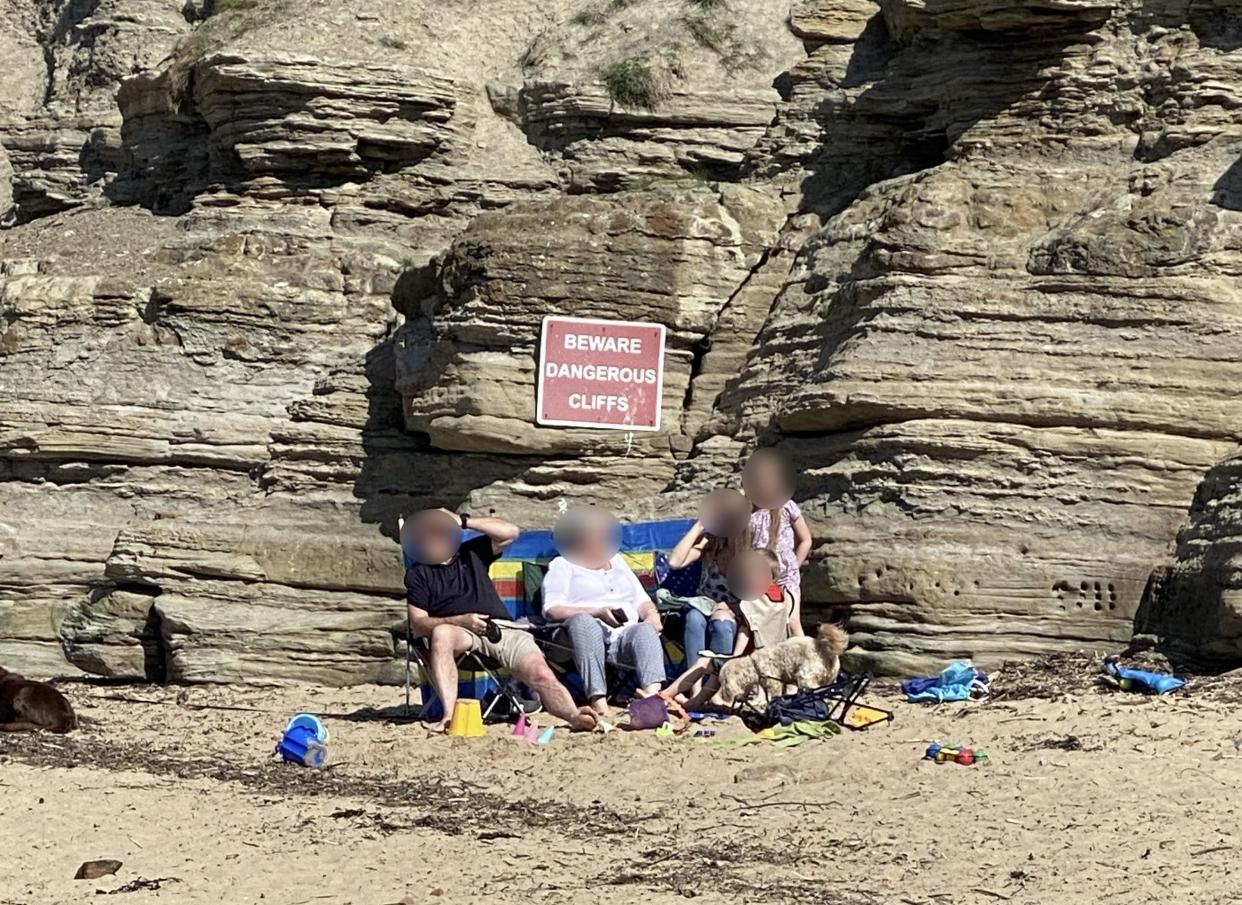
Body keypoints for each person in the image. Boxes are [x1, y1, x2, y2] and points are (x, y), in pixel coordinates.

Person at [403, 508, 596, 733]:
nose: (431, 541)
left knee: (541, 673)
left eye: (436, 534)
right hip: (459, 633)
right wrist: (460, 621)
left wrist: (463, 521)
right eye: (425, 537)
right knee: (442, 634)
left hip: (500, 628)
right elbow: (418, 623)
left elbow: (510, 532)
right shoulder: (418, 574)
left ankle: (574, 716)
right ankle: (449, 716)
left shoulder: (471, 552)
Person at [541, 507, 666, 716]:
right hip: (576, 639)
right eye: (594, 535)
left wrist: (652, 615)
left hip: (621, 637)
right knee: (584, 622)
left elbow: (641, 599)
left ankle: (651, 699)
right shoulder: (563, 565)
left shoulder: (617, 561)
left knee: (645, 631)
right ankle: (599, 702)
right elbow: (551, 609)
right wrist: (597, 611)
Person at [665, 488, 750, 675]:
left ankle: (716, 685)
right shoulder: (710, 545)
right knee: (694, 618)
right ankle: (693, 685)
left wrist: (728, 607)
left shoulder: (749, 552)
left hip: (736, 612)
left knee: (722, 624)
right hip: (703, 606)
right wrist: (700, 525)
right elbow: (674, 562)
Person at [742, 449, 813, 636]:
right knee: (761, 621)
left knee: (791, 620)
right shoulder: (747, 512)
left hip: (786, 575)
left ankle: (808, 658)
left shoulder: (786, 505)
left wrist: (795, 564)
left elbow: (805, 539)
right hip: (758, 576)